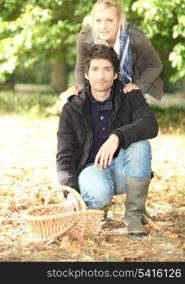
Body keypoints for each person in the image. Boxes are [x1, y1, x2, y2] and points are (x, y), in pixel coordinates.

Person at [56, 44, 158, 237]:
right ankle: (98, 209)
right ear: (86, 74)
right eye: (94, 69)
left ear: (116, 74)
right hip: (91, 169)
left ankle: (134, 215)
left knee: (140, 145)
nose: (101, 75)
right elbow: (64, 156)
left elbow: (150, 125)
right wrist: (69, 192)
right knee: (97, 192)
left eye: (107, 69)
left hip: (124, 170)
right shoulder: (72, 108)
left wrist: (117, 136)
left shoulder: (130, 96)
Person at [68, 0, 163, 101]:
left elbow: (155, 66)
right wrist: (80, 86)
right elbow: (80, 68)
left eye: (109, 20)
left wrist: (139, 86)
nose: (103, 26)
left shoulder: (136, 37)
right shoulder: (85, 37)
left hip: (132, 87)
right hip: (100, 89)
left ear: (119, 21)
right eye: (98, 21)